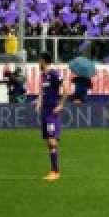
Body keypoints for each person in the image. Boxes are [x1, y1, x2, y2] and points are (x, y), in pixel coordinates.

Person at [37, 52, 65, 182]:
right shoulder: (43, 75)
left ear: (43, 61)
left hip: (52, 112)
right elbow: (42, 91)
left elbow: (66, 90)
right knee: (48, 140)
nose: (38, 63)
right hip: (45, 111)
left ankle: (55, 171)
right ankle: (53, 170)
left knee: (52, 139)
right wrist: (39, 102)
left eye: (39, 61)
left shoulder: (54, 74)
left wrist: (60, 105)